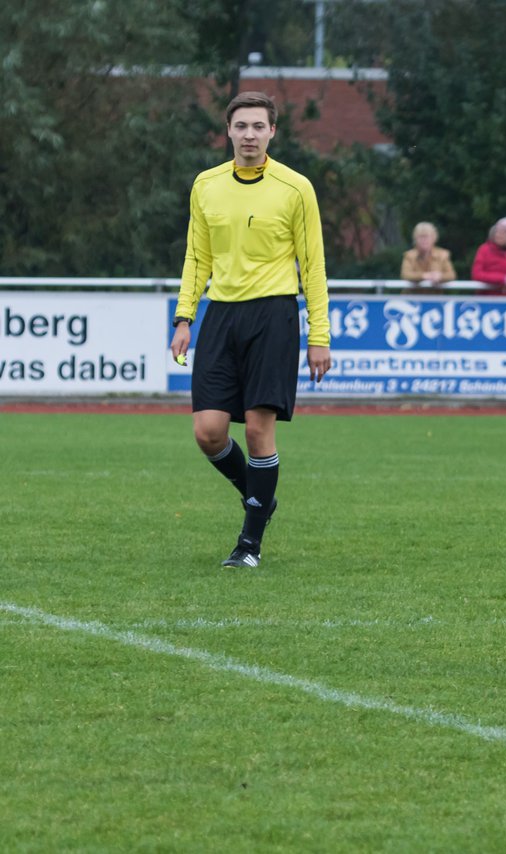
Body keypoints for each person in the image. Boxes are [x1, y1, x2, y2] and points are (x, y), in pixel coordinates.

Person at [169, 91, 331, 569]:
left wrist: (318, 335)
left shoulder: (296, 187)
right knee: (208, 431)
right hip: (220, 316)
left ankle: (249, 545)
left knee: (260, 432)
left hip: (273, 317)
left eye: (259, 126)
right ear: (228, 131)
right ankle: (260, 497)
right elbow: (197, 257)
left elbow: (314, 266)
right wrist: (185, 317)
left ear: (273, 132)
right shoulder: (206, 185)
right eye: (241, 126)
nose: (249, 135)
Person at [400, 221, 456, 290]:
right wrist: (424, 276)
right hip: (412, 297)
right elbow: (405, 274)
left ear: (434, 238)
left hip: (435, 297)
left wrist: (440, 276)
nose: (424, 240)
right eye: (420, 237)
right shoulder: (409, 256)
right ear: (415, 239)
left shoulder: (443, 255)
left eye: (427, 237)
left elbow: (451, 275)